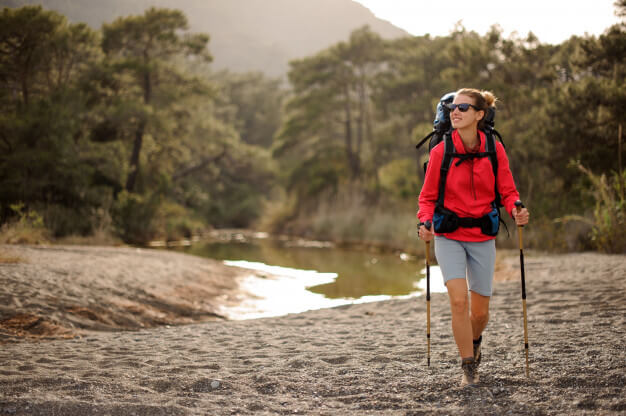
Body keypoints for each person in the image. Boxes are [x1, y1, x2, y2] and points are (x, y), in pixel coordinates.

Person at [417, 88, 529, 387]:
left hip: (482, 236)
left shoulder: (494, 148)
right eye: (453, 108)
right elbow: (427, 197)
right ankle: (468, 367)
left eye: (464, 108)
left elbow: (507, 190)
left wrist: (516, 208)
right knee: (458, 302)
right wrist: (425, 221)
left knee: (479, 313)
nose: (456, 112)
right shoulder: (441, 151)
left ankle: (475, 341)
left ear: (480, 115)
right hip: (448, 235)